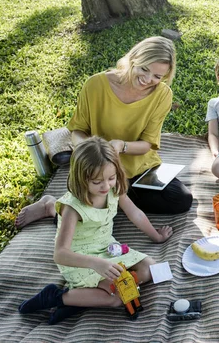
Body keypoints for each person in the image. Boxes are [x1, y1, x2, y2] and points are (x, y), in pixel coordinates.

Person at [15, 36, 193, 228]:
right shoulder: (96, 85)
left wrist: (121, 146)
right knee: (80, 224)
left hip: (139, 169)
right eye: (144, 69)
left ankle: (111, 205)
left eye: (158, 77)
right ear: (134, 59)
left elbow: (146, 145)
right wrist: (92, 152)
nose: (148, 80)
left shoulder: (162, 94)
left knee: (181, 199)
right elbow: (78, 130)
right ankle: (50, 206)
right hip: (100, 171)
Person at [18, 137, 173, 324]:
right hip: (79, 259)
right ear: (81, 178)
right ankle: (57, 297)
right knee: (116, 298)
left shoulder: (113, 189)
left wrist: (156, 236)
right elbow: (60, 254)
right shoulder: (72, 207)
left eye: (111, 178)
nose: (106, 186)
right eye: (97, 181)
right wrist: (96, 264)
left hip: (106, 248)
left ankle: (80, 300)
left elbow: (134, 213)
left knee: (149, 268)